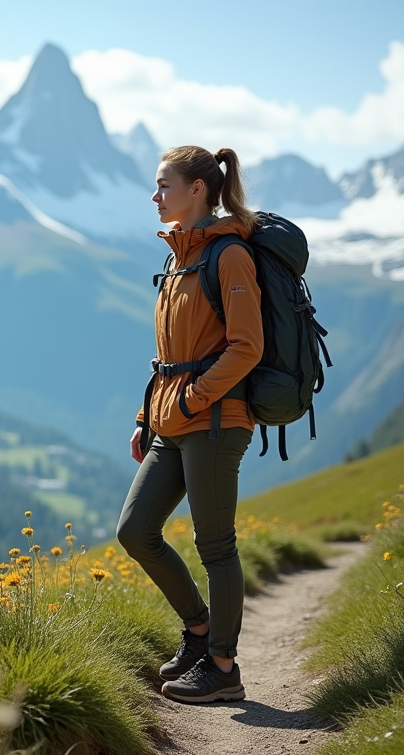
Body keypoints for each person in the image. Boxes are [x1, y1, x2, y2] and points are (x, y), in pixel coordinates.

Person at [117, 145, 263, 704]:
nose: (155, 197)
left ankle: (223, 668)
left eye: (164, 186)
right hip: (173, 420)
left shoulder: (229, 256)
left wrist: (194, 401)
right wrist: (146, 417)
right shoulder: (178, 257)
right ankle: (200, 633)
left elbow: (246, 348)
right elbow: (170, 353)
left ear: (197, 189)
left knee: (216, 547)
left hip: (216, 421)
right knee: (135, 531)